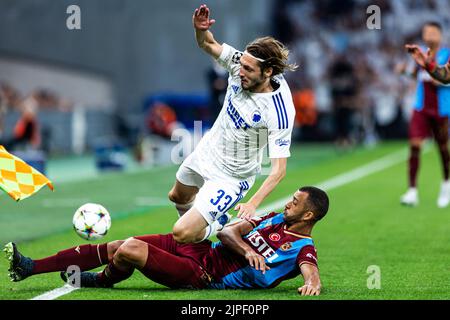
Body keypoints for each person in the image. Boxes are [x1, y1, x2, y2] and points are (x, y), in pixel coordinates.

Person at [5, 186, 328, 296]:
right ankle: (30, 267)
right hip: (203, 250)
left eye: (295, 203)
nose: (288, 204)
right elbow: (227, 232)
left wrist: (311, 283)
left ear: (309, 216)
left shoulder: (301, 248)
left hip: (202, 275)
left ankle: (104, 281)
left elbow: (310, 271)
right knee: (120, 245)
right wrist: (247, 251)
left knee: (131, 249)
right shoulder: (272, 217)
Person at [168, 4, 298, 244]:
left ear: (267, 72)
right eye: (242, 66)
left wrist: (253, 203)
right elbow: (207, 43)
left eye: (248, 69)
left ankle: (214, 226)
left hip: (232, 177)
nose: (240, 72)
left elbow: (279, 171)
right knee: (177, 195)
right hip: (209, 151)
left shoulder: (278, 111)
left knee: (182, 234)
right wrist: (200, 29)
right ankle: (200, 236)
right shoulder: (240, 63)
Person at [399, 22, 450, 207]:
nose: (428, 35)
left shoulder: (446, 54)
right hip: (420, 107)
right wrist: (404, 71)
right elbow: (416, 74)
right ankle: (412, 191)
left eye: (432, 32)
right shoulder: (419, 53)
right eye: (425, 32)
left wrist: (440, 80)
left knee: (443, 148)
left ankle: (446, 185)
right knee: (414, 145)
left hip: (442, 108)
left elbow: (445, 77)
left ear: (440, 34)